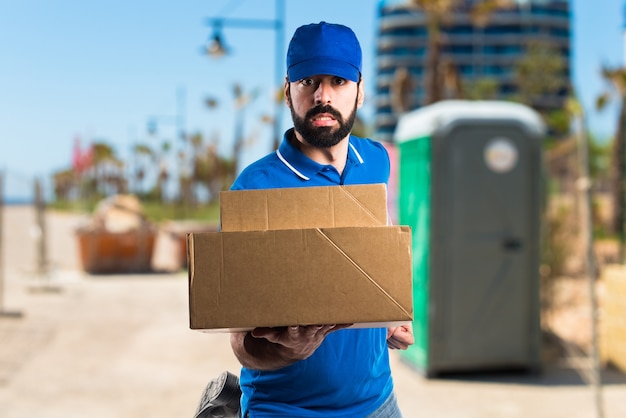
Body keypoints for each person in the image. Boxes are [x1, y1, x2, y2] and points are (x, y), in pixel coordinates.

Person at [229, 21, 414, 417]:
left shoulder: (377, 162)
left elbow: (373, 256)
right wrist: (282, 351)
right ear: (288, 92)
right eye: (308, 81)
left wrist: (386, 315)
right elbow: (241, 342)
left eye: (339, 82)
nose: (322, 96)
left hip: (378, 403)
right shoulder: (254, 190)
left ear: (361, 91)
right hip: (284, 410)